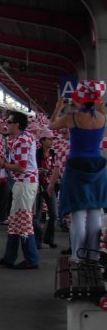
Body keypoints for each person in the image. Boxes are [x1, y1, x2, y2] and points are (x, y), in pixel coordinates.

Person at [49, 82, 107, 263]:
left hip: (76, 165)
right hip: (98, 165)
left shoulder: (71, 117)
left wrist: (58, 107)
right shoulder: (102, 117)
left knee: (78, 213)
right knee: (95, 211)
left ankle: (77, 255)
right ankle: (94, 254)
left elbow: (51, 126)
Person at [0, 111, 40, 269]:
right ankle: (10, 257)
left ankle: (31, 258)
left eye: (10, 121)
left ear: (18, 125)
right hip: (25, 183)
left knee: (22, 221)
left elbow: (21, 167)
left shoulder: (21, 141)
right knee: (15, 221)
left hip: (24, 182)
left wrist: (3, 164)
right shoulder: (25, 137)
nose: (7, 123)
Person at [34, 128, 58, 248]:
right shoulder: (36, 153)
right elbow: (31, 168)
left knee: (54, 214)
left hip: (50, 186)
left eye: (52, 139)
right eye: (49, 139)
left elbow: (57, 168)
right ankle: (38, 241)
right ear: (42, 140)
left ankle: (49, 239)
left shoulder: (54, 154)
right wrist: (40, 171)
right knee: (36, 216)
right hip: (38, 186)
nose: (51, 141)